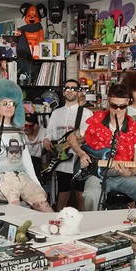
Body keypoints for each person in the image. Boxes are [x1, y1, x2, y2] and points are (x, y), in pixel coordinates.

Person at [67, 83, 136, 211]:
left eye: (122, 106)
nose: (118, 110)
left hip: (123, 177)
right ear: (108, 103)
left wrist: (128, 173)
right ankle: (96, 227)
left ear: (128, 103)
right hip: (96, 176)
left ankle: (134, 222)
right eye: (114, 106)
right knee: (91, 196)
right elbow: (71, 138)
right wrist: (81, 153)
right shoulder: (96, 121)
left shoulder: (135, 129)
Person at [0, 79, 53, 212]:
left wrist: (36, 182)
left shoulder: (18, 130)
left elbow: (26, 158)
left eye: (12, 103)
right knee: (15, 210)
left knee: (43, 205)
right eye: (5, 103)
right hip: (2, 178)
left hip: (21, 175)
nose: (8, 107)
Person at [44, 79, 92, 211]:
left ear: (79, 92)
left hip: (79, 160)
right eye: (67, 88)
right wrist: (47, 139)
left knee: (80, 195)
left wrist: (76, 142)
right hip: (61, 160)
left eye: (73, 88)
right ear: (63, 92)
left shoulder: (86, 113)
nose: (70, 91)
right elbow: (49, 132)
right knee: (63, 194)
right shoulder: (56, 113)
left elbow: (88, 136)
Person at [23, 113, 46, 181]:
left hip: (42, 165)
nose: (24, 128)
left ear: (35, 126)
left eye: (27, 126)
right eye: (23, 125)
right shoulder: (21, 134)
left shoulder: (45, 132)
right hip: (27, 166)